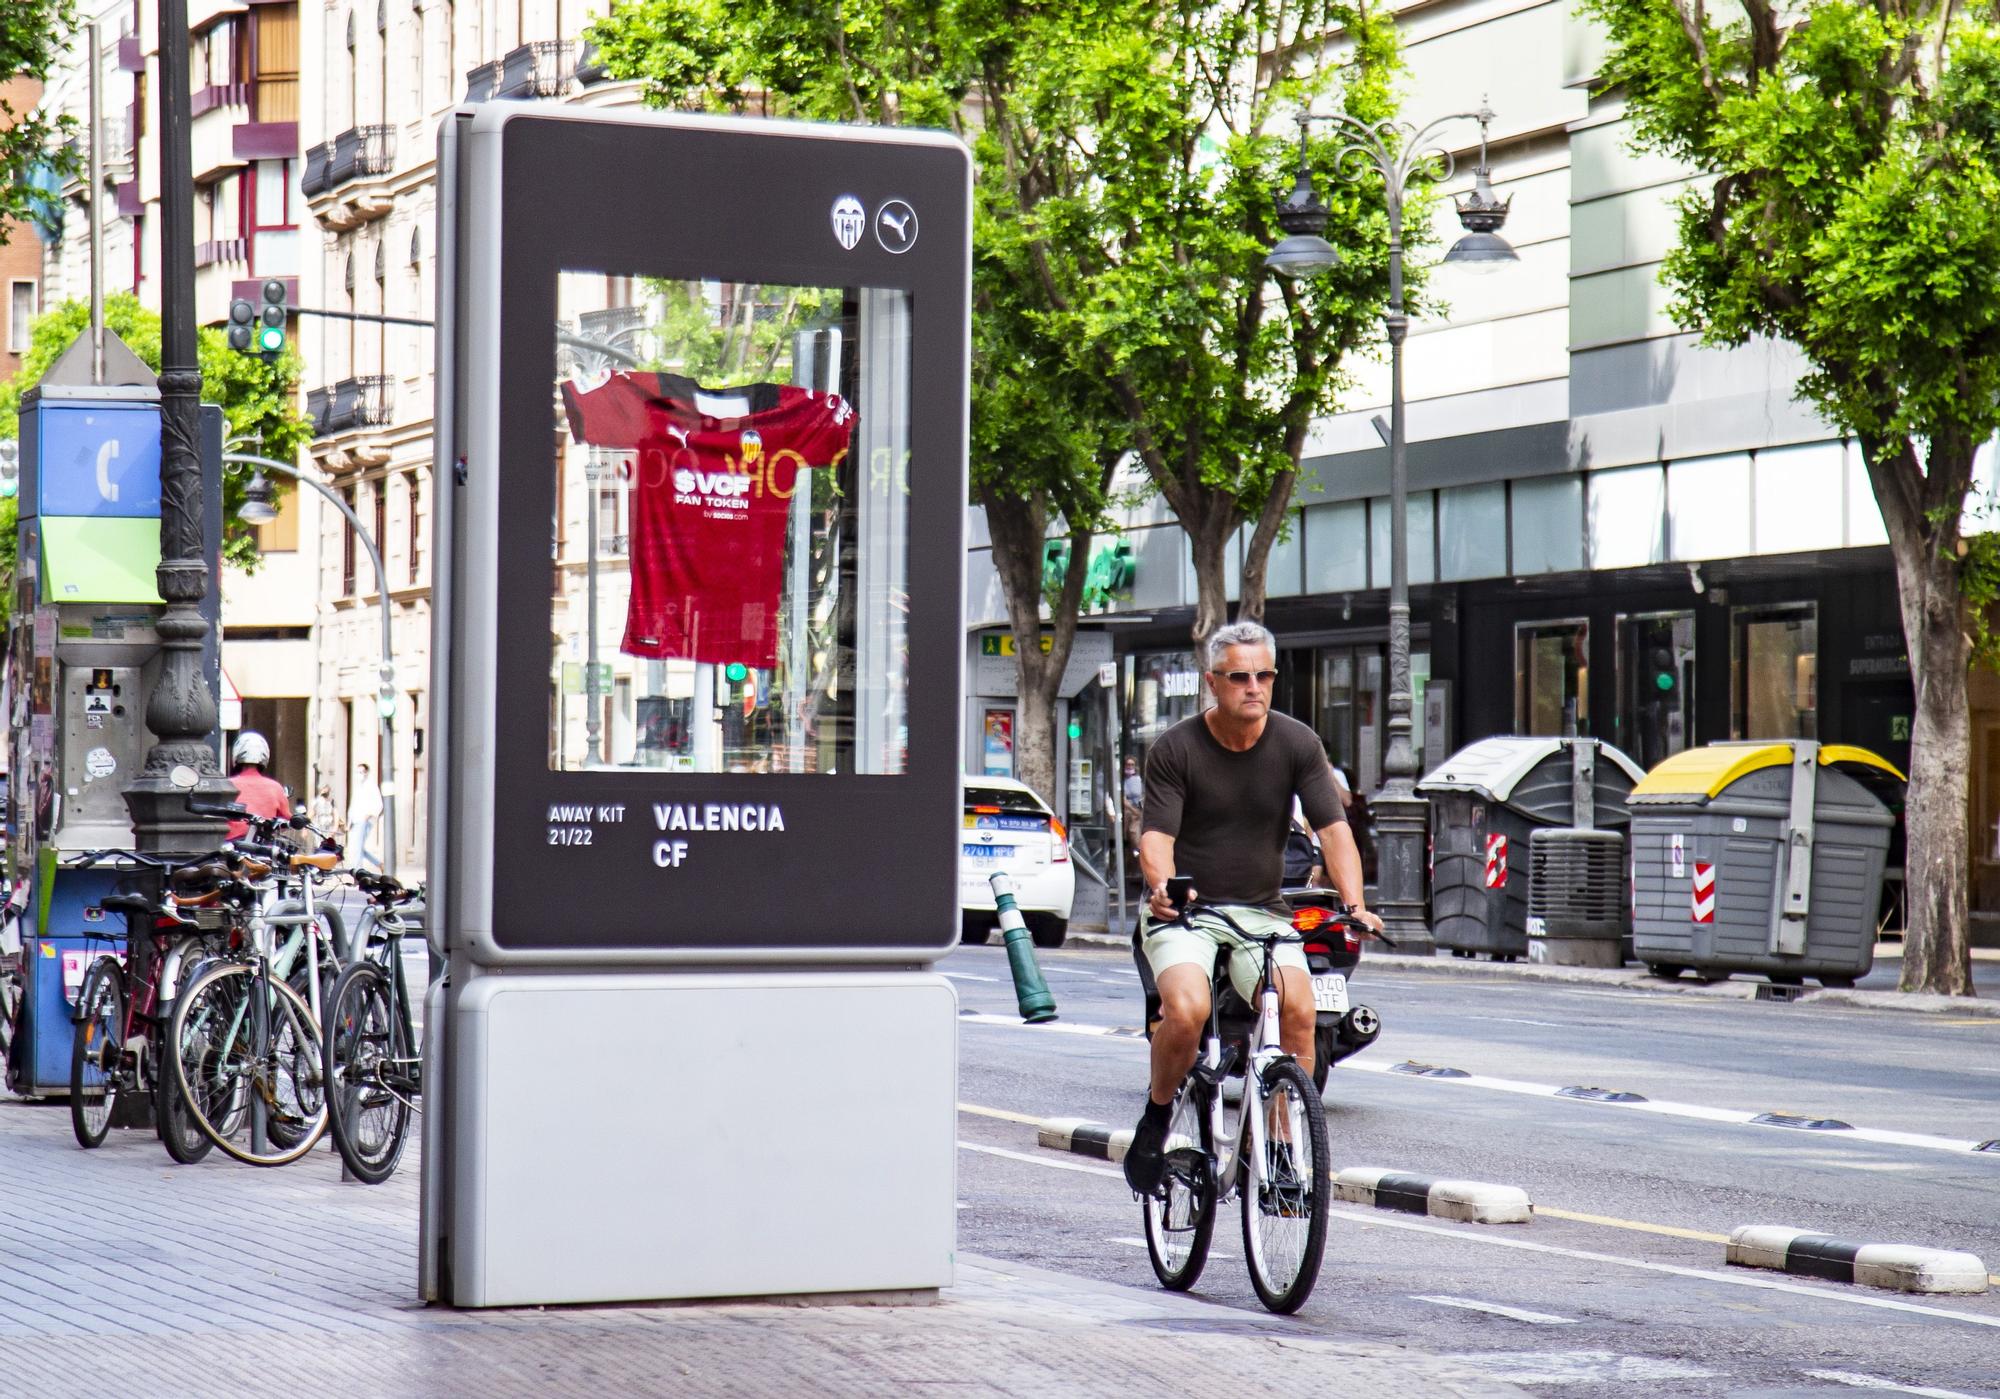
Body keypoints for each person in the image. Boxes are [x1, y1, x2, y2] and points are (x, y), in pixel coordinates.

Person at [1123, 621, 1380, 1197]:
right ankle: (1158, 1115)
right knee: (1186, 1011)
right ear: (1212, 682)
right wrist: (1164, 888)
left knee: (1299, 1010)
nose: (1254, 687)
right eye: (1239, 677)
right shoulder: (1177, 748)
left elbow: (1335, 830)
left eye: (1263, 675)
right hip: (1187, 913)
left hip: (1262, 913)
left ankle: (1282, 1152)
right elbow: (1156, 839)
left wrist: (1355, 903)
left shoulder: (1297, 744)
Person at [226, 731, 291, 842]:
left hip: (231, 847)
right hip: (263, 847)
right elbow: (287, 819)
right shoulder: (275, 788)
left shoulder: (226, 785)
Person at [348, 763, 383, 871]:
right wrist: (349, 822)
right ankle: (379, 864)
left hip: (364, 820)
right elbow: (353, 805)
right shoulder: (358, 787)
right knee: (356, 848)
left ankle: (357, 872)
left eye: (361, 772)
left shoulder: (371, 785)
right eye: (357, 772)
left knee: (357, 848)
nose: (359, 774)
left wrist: (368, 815)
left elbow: (378, 803)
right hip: (355, 820)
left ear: (366, 772)